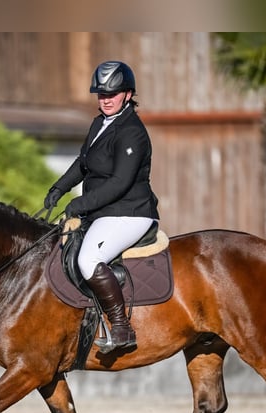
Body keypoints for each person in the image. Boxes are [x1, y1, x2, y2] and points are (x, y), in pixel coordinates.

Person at [44, 60, 160, 352]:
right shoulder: (100, 123)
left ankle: (121, 328)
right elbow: (82, 163)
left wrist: (80, 203)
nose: (105, 99)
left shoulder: (132, 132)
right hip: (105, 212)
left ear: (128, 94)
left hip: (129, 213)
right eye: (101, 94)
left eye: (112, 93)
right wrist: (60, 187)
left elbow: (120, 182)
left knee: (88, 260)